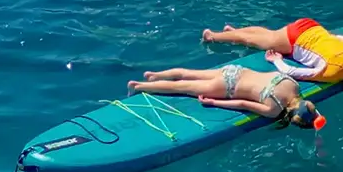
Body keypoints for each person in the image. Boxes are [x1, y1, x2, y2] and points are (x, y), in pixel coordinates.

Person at [203, 18, 343, 101]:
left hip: (313, 27)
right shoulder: (332, 73)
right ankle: (213, 36)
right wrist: (276, 61)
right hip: (296, 39)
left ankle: (232, 31)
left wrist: (334, 39)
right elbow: (293, 72)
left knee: (267, 36)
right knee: (254, 40)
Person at [128, 65, 323, 128]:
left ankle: (155, 75)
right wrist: (214, 102)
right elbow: (242, 104)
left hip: (234, 71)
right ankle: (140, 86)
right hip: (228, 86)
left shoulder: (294, 85)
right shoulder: (274, 110)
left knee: (188, 73)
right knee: (183, 87)